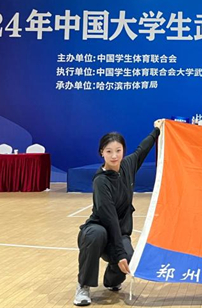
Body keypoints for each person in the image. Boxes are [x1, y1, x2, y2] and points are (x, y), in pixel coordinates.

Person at [74, 121, 162, 306]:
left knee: (129, 258)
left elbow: (142, 149)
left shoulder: (127, 166)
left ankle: (111, 280)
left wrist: (157, 130)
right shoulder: (101, 181)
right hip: (99, 230)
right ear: (102, 153)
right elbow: (110, 219)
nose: (114, 156)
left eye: (118, 150)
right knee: (96, 234)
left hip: (120, 232)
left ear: (123, 151)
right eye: (109, 151)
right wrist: (119, 253)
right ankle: (83, 286)